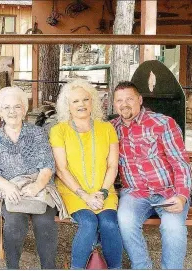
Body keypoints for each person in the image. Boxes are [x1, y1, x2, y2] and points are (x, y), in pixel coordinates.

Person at [0, 86, 68, 269]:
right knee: (14, 223)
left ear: (24, 109)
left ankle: (48, 267)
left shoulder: (37, 133)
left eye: (17, 106)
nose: (12, 112)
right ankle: (12, 267)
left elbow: (47, 165)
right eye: (6, 108)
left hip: (39, 187)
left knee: (45, 222)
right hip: (10, 189)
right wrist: (7, 187)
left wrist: (37, 185)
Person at [111, 81, 192, 269]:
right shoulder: (111, 129)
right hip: (135, 193)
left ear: (140, 100)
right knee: (125, 220)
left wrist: (181, 196)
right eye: (119, 100)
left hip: (169, 191)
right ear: (114, 104)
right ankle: (142, 267)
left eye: (129, 99)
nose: (124, 104)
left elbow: (180, 163)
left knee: (172, 228)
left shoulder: (163, 123)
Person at [49, 78, 122, 269]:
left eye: (85, 99)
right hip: (73, 192)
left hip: (103, 190)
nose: (81, 104)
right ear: (68, 106)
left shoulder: (107, 129)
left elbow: (112, 166)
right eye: (75, 101)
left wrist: (103, 192)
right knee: (89, 223)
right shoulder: (59, 131)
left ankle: (115, 268)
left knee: (109, 224)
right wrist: (85, 196)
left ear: (93, 102)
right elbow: (61, 169)